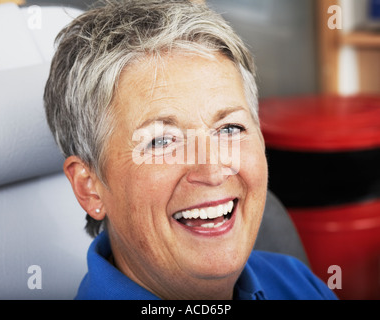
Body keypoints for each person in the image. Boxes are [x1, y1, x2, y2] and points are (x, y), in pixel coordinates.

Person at [44, 0, 337, 300]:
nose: (212, 171)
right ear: (89, 188)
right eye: (161, 141)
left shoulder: (296, 282)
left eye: (230, 129)